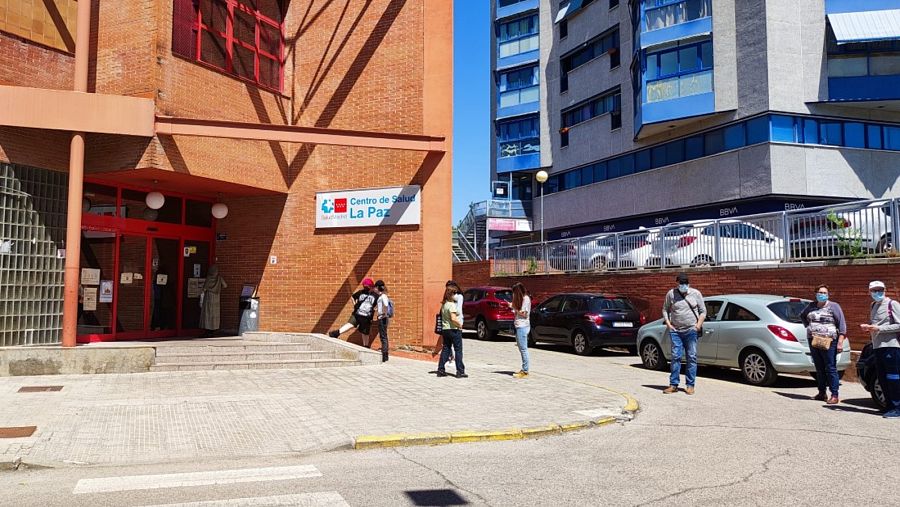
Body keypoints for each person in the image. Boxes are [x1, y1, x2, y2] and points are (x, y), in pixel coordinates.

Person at [800, 284, 847, 404]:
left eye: (825, 293)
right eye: (820, 292)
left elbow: (842, 325)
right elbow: (803, 316)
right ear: (816, 294)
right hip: (814, 339)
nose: (822, 295)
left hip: (829, 340)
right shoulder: (811, 306)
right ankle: (821, 392)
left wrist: (840, 342)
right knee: (819, 367)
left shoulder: (834, 306)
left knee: (830, 367)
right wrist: (809, 327)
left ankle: (834, 394)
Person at [860, 280, 900, 418]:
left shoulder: (892, 304)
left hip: (891, 346)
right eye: (874, 290)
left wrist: (879, 328)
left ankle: (897, 407)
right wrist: (869, 327)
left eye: (880, 290)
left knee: (893, 378)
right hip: (877, 346)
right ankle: (888, 406)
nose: (877, 292)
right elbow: (875, 324)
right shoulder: (873, 305)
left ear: (885, 290)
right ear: (870, 292)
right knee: (882, 378)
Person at [661, 273, 706, 395]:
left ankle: (690, 385)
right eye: (681, 283)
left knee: (691, 357)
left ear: (688, 283)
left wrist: (698, 326)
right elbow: (665, 309)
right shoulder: (671, 294)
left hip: (691, 330)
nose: (683, 285)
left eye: (685, 283)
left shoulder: (696, 294)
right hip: (676, 331)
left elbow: (703, 311)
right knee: (675, 357)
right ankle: (673, 384)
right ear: (677, 283)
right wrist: (668, 324)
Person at [437, 285, 466, 378]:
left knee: (446, 348)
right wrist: (459, 325)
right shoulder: (451, 305)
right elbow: (453, 318)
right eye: (455, 293)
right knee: (458, 350)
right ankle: (460, 371)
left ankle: (441, 369)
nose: (456, 295)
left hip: (445, 329)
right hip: (454, 329)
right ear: (451, 294)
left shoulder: (444, 305)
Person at [199, 265, 227, 338]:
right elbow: (225, 285)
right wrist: (218, 287)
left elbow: (204, 289)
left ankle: (207, 331)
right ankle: (213, 331)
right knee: (215, 314)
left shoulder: (209, 278)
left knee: (207, 314)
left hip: (208, 298)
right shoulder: (219, 278)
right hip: (216, 298)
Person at [511, 282, 531, 379]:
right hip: (519, 325)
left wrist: (514, 307)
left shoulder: (526, 299)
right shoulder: (521, 299)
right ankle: (524, 369)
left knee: (523, 349)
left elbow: (524, 314)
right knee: (521, 348)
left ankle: (525, 370)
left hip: (523, 326)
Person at [374, 280, 392, 362]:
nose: (374, 289)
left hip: (383, 318)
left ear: (377, 287)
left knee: (383, 336)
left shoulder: (383, 296)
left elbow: (386, 305)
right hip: (382, 317)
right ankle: (385, 355)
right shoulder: (382, 296)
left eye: (375, 287)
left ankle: (384, 355)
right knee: (383, 336)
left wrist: (384, 313)